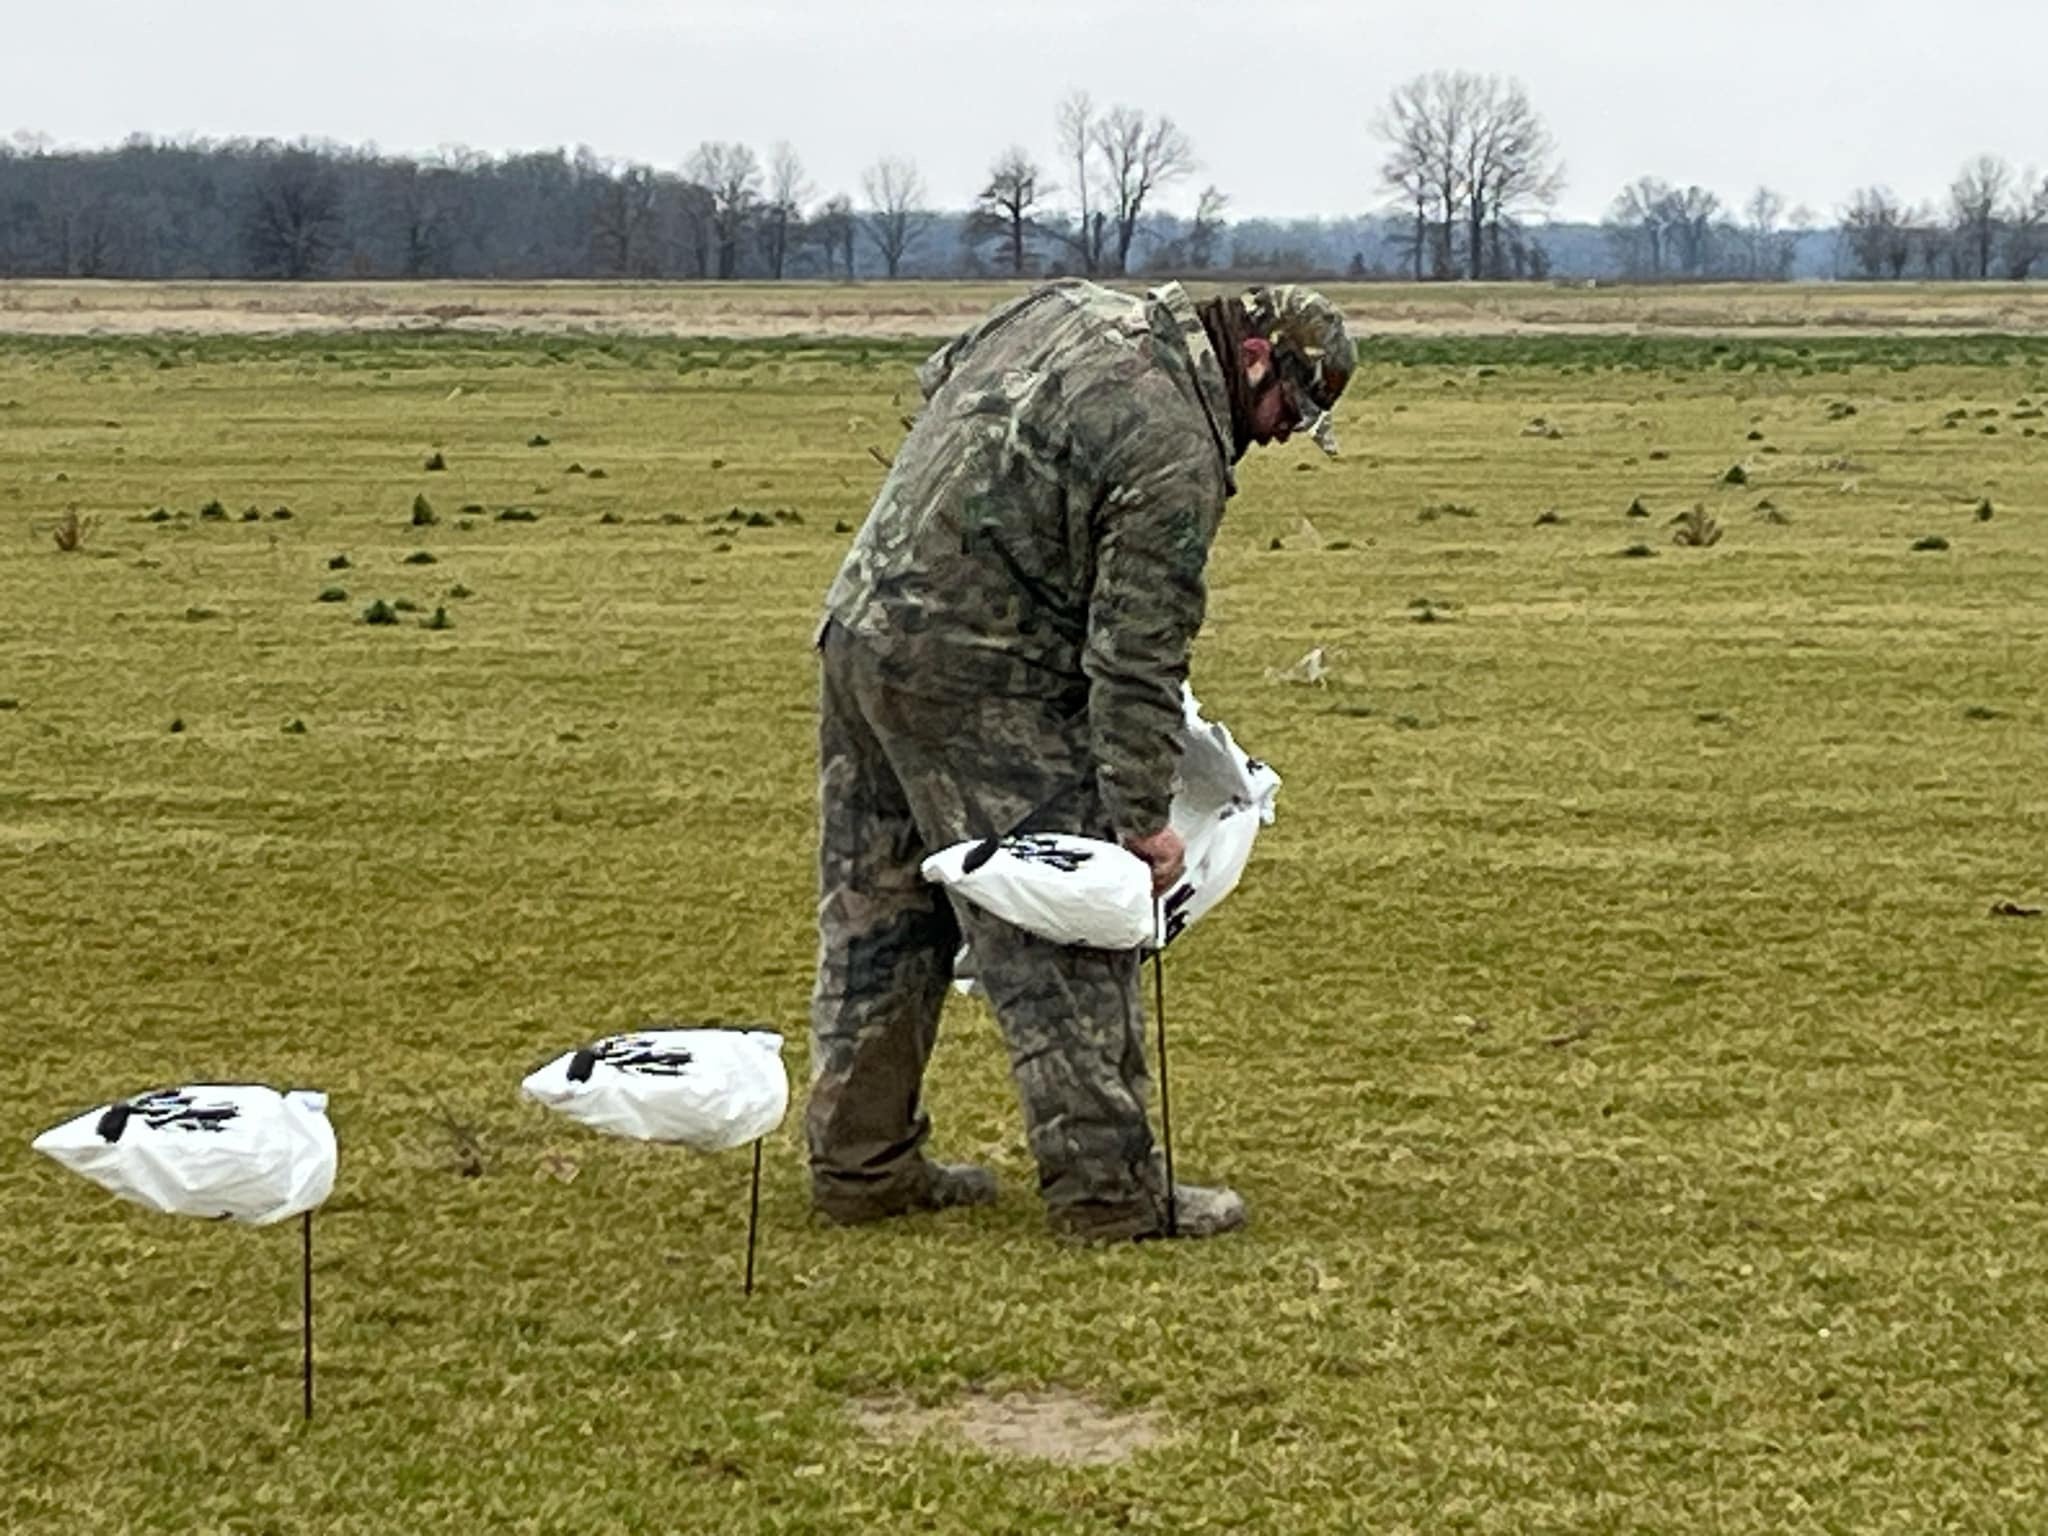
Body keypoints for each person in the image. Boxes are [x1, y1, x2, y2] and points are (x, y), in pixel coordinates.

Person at [808, 279, 1355, 1242]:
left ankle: (862, 1164)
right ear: (1257, 360)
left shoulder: (1068, 306)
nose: (1279, 435)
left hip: (862, 633)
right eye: (1287, 410)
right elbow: (1136, 655)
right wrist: (1141, 823)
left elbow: (941, 381)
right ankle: (1107, 1190)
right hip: (982, 675)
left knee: (880, 908)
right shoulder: (1177, 446)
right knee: (1067, 925)